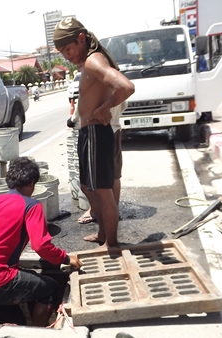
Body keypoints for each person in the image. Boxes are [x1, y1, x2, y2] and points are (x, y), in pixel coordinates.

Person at [0, 157, 83, 326]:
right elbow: (40, 245)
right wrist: (65, 258)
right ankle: (36, 331)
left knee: (16, 322)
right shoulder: (31, 206)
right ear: (32, 183)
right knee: (50, 288)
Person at [54, 17, 135, 247]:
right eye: (62, 52)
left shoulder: (93, 61)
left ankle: (111, 244)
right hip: (92, 134)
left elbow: (126, 86)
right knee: (89, 187)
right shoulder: (91, 60)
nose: (66, 56)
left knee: (102, 191)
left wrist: (103, 108)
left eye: (68, 49)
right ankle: (103, 234)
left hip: (96, 134)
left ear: (81, 39)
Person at [67, 101, 127, 225]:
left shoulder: (95, 82)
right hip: (115, 129)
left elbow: (82, 104)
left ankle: (97, 212)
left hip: (98, 132)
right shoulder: (115, 84)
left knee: (93, 180)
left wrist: (72, 120)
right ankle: (113, 210)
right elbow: (124, 103)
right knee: (115, 174)